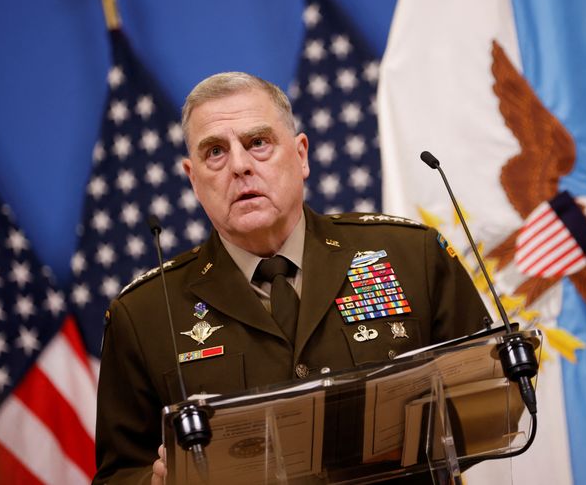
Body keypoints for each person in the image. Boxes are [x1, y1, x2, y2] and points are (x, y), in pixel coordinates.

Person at [92, 72, 490, 484]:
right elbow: (118, 473)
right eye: (215, 152)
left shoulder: (411, 255)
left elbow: (488, 401)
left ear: (301, 155)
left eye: (257, 142)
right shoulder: (143, 315)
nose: (240, 166)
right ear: (193, 178)